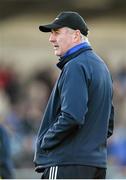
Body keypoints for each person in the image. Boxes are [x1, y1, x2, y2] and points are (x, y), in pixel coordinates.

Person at [34, 11, 114, 179]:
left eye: (56, 32)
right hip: (95, 166)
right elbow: (108, 123)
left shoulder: (75, 65)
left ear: (76, 35)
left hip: (67, 163)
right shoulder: (100, 66)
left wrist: (45, 141)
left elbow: (72, 116)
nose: (51, 39)